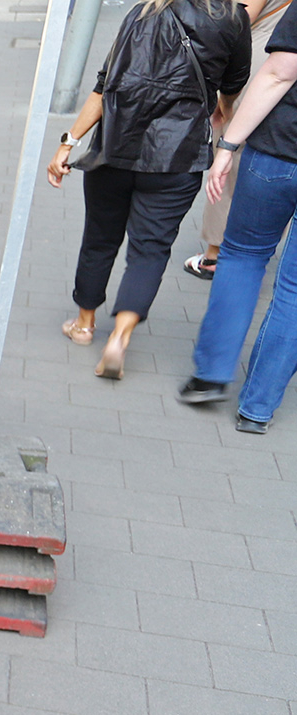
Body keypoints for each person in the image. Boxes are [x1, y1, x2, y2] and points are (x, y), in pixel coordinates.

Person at [47, 0, 251, 380]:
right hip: (178, 157)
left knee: (99, 239)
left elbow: (105, 84)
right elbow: (233, 85)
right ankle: (119, 338)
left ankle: (85, 324)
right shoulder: (233, 18)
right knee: (150, 249)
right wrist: (222, 109)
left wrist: (68, 142)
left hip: (116, 149)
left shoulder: (142, 11)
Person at [178, 9, 297, 428]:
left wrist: (227, 145)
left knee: (243, 256)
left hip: (280, 151)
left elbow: (280, 72)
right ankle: (257, 409)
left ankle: (210, 375)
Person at [187, 0, 291, 277]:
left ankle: (215, 255)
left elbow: (237, 19)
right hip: (284, 67)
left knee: (230, 152)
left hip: (262, 65)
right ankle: (258, 244)